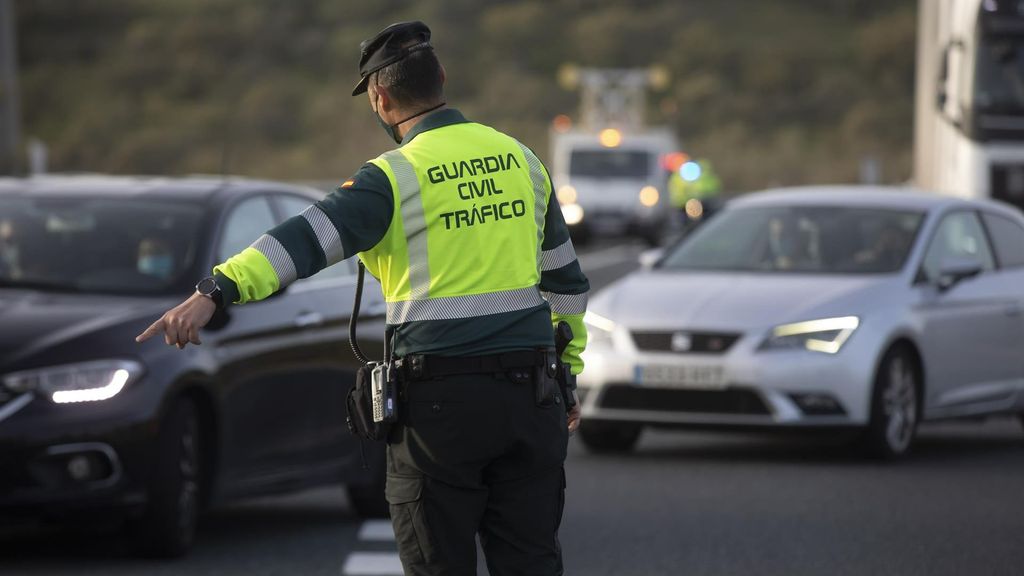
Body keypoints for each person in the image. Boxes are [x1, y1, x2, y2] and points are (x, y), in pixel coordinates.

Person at [136, 20, 588, 576]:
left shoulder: (392, 178)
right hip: (531, 399)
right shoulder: (521, 159)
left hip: (440, 411)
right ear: (441, 78)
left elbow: (300, 242)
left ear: (379, 98)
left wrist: (215, 289)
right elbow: (565, 283)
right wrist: (567, 376)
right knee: (531, 563)